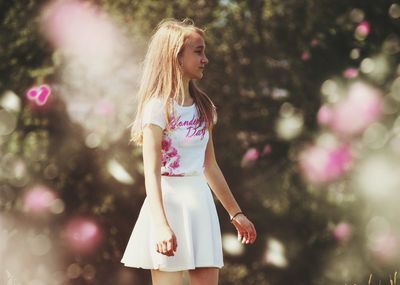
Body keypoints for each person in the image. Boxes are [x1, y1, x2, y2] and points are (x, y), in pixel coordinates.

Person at [121, 18, 257, 285]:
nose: (205, 59)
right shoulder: (157, 108)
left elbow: (209, 165)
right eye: (198, 51)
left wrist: (235, 213)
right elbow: (151, 172)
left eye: (204, 51)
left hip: (200, 204)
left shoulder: (204, 107)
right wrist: (160, 225)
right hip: (167, 204)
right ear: (176, 57)